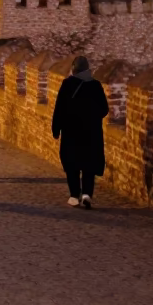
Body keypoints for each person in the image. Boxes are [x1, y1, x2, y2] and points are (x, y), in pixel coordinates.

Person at [51, 56, 109, 209]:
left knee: (72, 164)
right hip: (92, 132)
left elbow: (59, 109)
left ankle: (74, 195)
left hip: (71, 132)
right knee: (89, 164)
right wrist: (92, 117)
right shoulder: (96, 85)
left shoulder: (67, 84)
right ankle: (87, 194)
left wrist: (56, 128)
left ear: (74, 68)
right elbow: (104, 109)